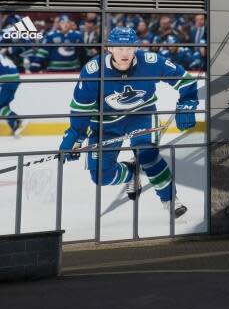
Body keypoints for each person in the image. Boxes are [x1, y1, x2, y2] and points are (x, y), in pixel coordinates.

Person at [58, 27, 198, 218]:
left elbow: (186, 81)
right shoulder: (93, 70)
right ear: (109, 48)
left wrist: (187, 103)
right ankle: (132, 171)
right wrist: (76, 135)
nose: (125, 53)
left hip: (141, 115)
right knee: (101, 176)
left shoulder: (151, 62)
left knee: (148, 155)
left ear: (136, 48)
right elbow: (82, 108)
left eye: (130, 47)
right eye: (119, 47)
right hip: (104, 123)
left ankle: (170, 200)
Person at [0, 49, 23, 137]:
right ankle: (14, 125)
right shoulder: (4, 57)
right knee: (3, 105)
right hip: (14, 80)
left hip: (6, 80)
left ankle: (16, 120)